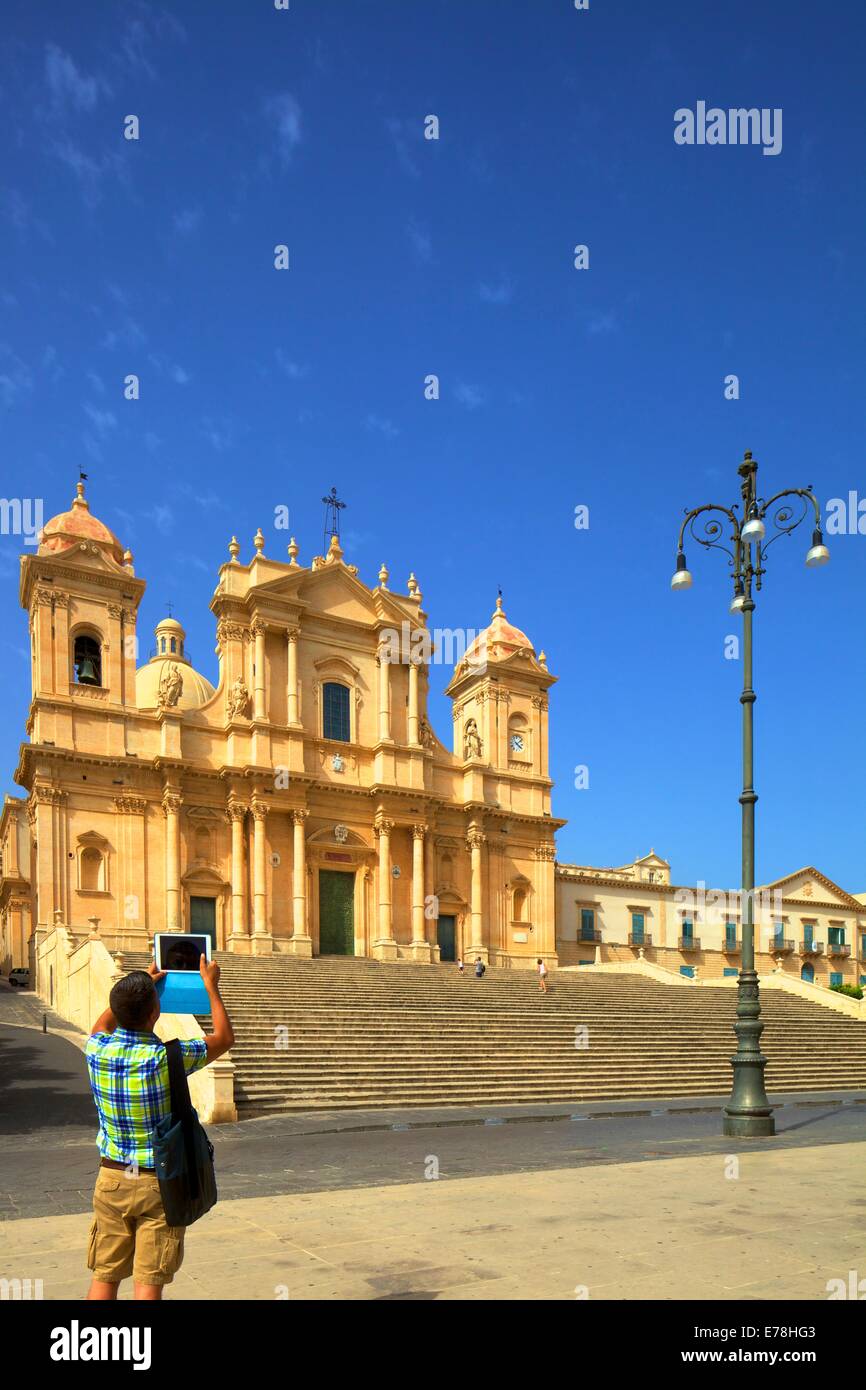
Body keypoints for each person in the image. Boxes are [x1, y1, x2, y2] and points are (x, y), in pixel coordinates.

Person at [84, 953, 234, 1301]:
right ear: (156, 1013)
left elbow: (100, 1025)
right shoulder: (170, 1058)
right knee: (149, 1284)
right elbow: (224, 1038)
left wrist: (140, 986)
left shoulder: (97, 1049)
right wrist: (212, 987)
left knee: (104, 1278)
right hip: (160, 1182)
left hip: (112, 1179)